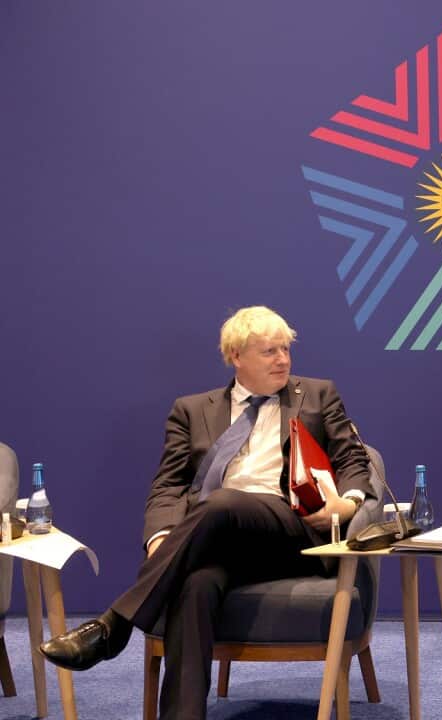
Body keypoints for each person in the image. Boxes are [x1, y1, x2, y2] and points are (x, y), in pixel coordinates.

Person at [40, 306, 374, 719]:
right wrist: (161, 537)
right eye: (270, 351)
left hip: (294, 530)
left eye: (286, 349)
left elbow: (355, 462)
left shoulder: (318, 395)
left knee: (221, 501)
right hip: (217, 538)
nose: (283, 360)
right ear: (237, 356)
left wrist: (348, 502)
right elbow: (168, 486)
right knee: (195, 582)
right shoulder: (191, 409)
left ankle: (115, 625)